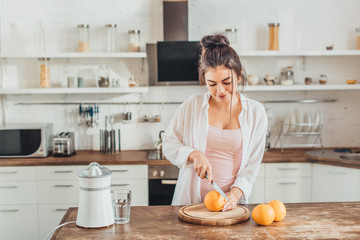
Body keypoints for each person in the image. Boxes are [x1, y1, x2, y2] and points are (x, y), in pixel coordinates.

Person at [162, 34, 267, 211]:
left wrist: (235, 194)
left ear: (239, 76)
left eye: (227, 82)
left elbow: (252, 165)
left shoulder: (256, 113)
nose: (220, 90)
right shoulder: (192, 105)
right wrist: (193, 154)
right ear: (204, 80)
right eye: (212, 84)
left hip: (231, 206)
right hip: (190, 204)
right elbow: (168, 143)